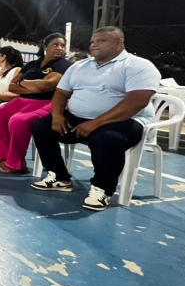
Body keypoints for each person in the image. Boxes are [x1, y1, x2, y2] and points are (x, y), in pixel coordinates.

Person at [30, 27, 161, 212]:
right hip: (80, 118)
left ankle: (102, 189)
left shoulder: (138, 66)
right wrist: (57, 115)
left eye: (101, 40)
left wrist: (95, 123)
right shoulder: (79, 66)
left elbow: (136, 102)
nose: (94, 44)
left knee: (107, 139)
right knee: (41, 127)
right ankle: (59, 177)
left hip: (127, 120)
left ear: (119, 42)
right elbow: (61, 93)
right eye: (92, 41)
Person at [0, 33, 70, 174]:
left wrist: (23, 83)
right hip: (22, 100)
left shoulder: (63, 65)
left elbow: (46, 86)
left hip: (47, 101)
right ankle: (4, 156)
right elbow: (12, 86)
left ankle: (16, 163)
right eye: (55, 45)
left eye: (63, 46)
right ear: (45, 47)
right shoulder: (32, 64)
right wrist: (34, 86)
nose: (60, 48)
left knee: (18, 121)